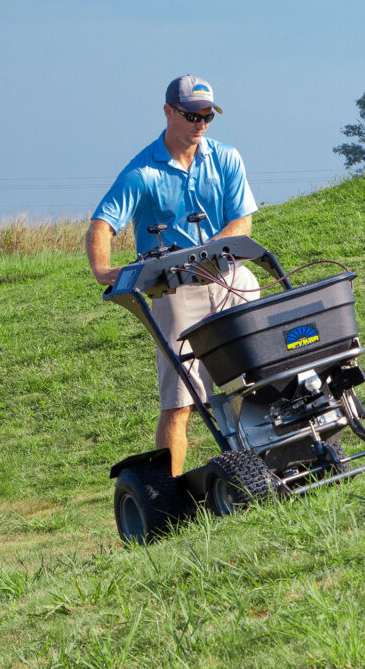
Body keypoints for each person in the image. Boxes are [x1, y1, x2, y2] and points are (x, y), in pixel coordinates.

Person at [85, 75, 259, 476]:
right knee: (181, 402)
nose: (201, 123)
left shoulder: (226, 158)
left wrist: (210, 252)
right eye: (191, 115)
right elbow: (101, 225)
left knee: (259, 378)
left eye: (207, 116)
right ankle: (170, 495)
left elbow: (241, 223)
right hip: (177, 293)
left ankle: (264, 466)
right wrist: (103, 271)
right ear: (168, 112)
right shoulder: (142, 172)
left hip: (231, 278)